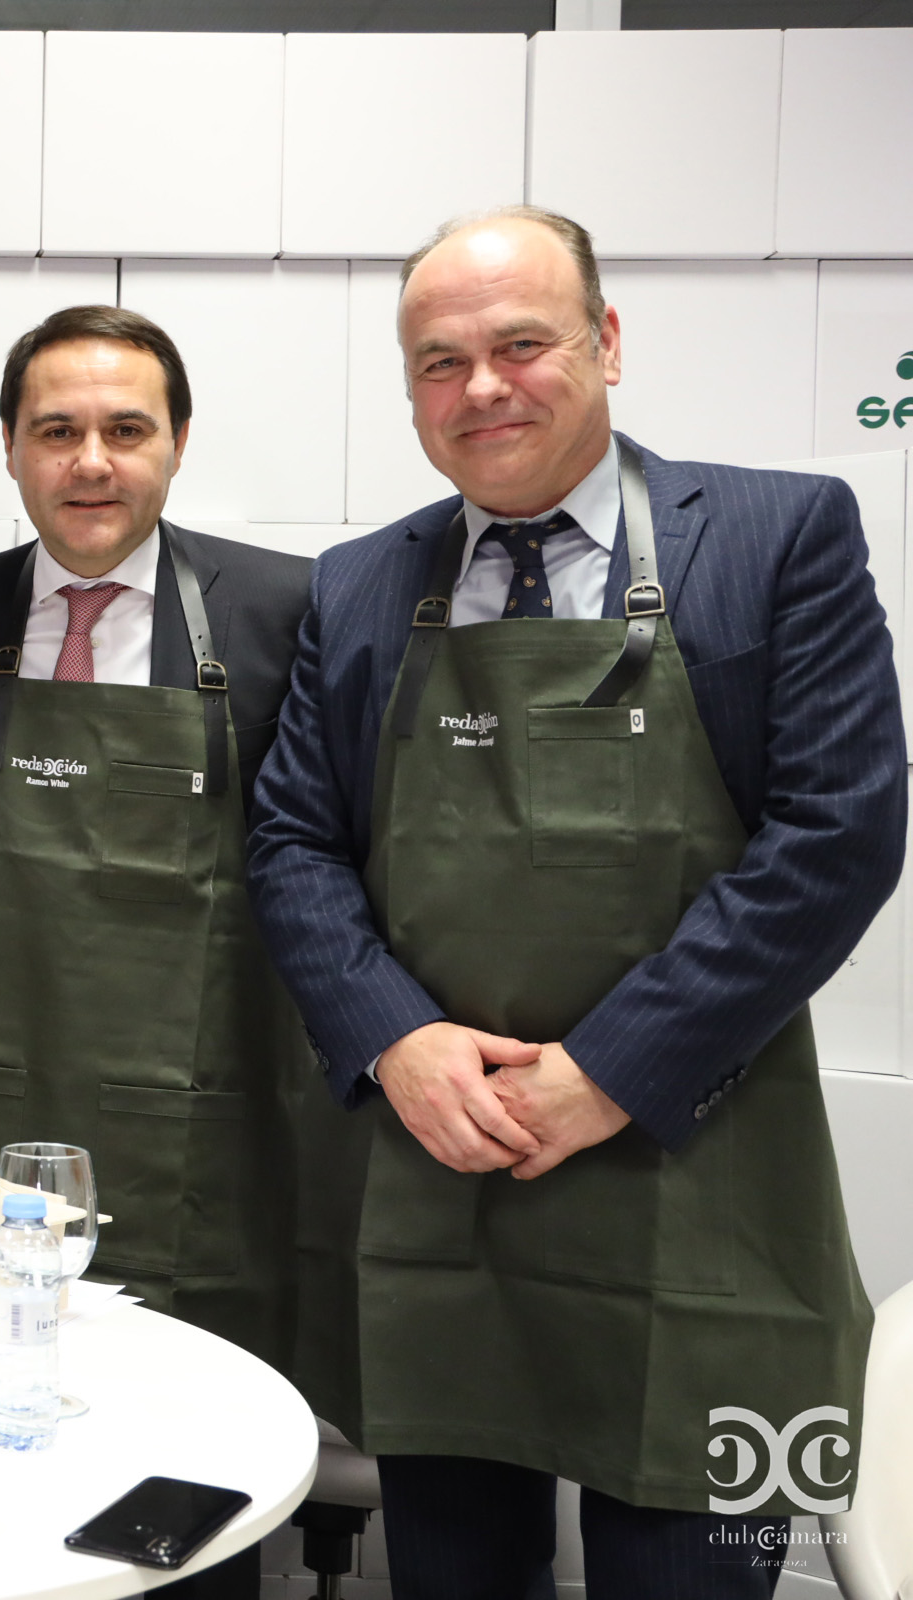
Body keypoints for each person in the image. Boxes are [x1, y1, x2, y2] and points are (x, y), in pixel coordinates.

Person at [248, 206, 897, 1597]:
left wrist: (611, 1068)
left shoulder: (779, 537)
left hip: (700, 1183)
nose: (481, 387)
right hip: (444, 1180)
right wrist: (395, 1041)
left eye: (521, 343)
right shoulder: (364, 585)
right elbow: (294, 841)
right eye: (439, 362)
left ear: (605, 343)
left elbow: (840, 832)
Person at [0, 307, 308, 1600]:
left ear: (178, 444)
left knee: (192, 1518)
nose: (91, 460)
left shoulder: (287, 613)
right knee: (9, 1497)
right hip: (6, 1129)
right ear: (11, 451)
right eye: (57, 430)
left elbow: (325, 876)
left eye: (126, 430)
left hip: (211, 1144)